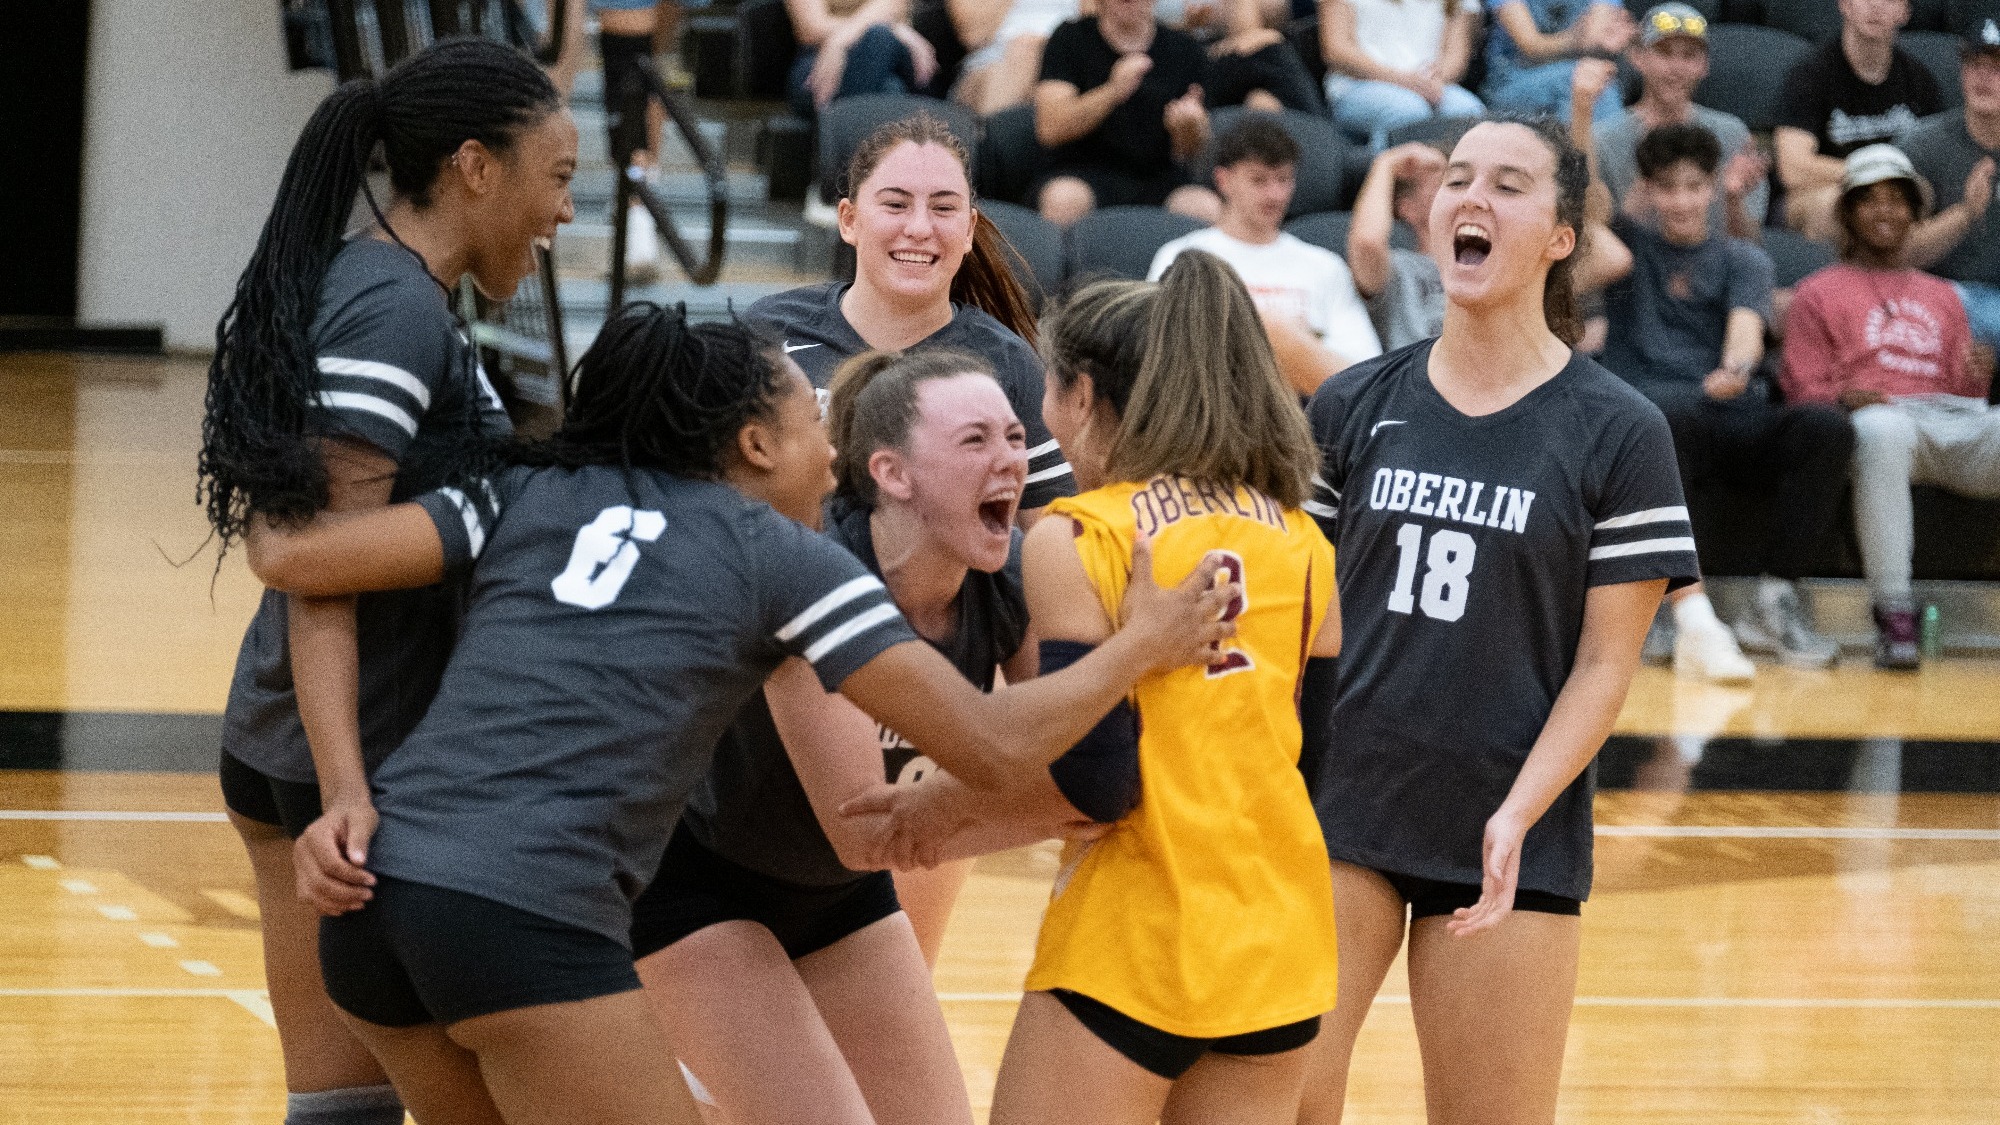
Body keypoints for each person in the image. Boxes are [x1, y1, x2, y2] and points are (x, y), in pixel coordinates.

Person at [249, 306, 1239, 1125]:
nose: (832, 443)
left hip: (374, 897)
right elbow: (986, 744)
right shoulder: (782, 556)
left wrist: (342, 787)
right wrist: (1142, 646)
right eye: (813, 419)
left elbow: (296, 564)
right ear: (755, 443)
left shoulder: (522, 490)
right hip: (526, 914)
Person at [866, 249, 1341, 1124]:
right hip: (1279, 947)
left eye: (1046, 396)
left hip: (1134, 937)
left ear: (1081, 398)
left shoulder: (1081, 533)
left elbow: (1098, 778)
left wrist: (950, 805)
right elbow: (1316, 770)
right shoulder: (1306, 542)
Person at [195, 39, 574, 1125]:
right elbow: (310, 562)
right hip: (344, 759)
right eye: (555, 178)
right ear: (474, 166)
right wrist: (350, 788)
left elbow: (314, 554)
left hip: (284, 745)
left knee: (338, 1111)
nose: (561, 213)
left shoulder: (378, 281)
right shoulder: (395, 307)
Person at [1295, 116, 1700, 1124]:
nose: (1469, 197)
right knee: (1284, 1103)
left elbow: (1606, 666)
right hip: (1339, 809)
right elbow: (1291, 621)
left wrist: (1516, 811)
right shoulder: (1350, 405)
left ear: (1561, 235)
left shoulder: (1618, 430)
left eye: (1507, 185)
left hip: (1506, 825)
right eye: (1456, 179)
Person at [629, 348, 1112, 1125]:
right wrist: (1035, 795)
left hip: (836, 893)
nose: (1011, 462)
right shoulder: (814, 572)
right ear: (892, 472)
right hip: (691, 880)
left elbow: (1072, 775)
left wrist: (1041, 791)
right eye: (975, 441)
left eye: (1016, 437)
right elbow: (865, 827)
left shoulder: (1013, 577)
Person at [1595, 122, 1854, 672]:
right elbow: (1590, 204)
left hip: (1730, 413)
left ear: (1712, 188)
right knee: (1666, 418)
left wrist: (1735, 367)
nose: (1682, 200)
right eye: (1668, 187)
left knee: (1825, 428)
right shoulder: (1626, 250)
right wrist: (1583, 106)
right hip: (1659, 421)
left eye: (1694, 186)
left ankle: (1776, 598)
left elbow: (1745, 332)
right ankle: (1671, 607)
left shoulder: (1743, 260)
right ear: (1648, 191)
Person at [748, 113, 1074, 532]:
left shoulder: (1010, 362)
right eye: (896, 205)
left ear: (969, 228)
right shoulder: (767, 331)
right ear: (848, 220)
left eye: (943, 208)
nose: (919, 228)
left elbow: (1049, 540)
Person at [1780, 145, 2000, 669]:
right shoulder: (1817, 292)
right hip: (1885, 425)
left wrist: (1976, 375)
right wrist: (1843, 398)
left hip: (1950, 423)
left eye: (1898, 201)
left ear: (1913, 213)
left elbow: (1964, 398)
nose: (1886, 212)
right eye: (1871, 200)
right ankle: (1894, 613)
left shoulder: (1945, 295)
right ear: (1849, 214)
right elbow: (1801, 391)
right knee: (1879, 429)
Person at [1148, 115, 1384, 394]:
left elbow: (1363, 368)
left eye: (1283, 180)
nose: (1275, 195)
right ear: (1224, 181)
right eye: (1259, 181)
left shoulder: (1325, 265)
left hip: (1307, 409)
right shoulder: (1182, 257)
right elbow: (1159, 356)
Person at [1032, 0, 1223, 226]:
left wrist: (1188, 127)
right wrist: (1112, 92)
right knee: (1063, 199)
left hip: (1159, 176)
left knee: (1204, 207)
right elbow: (1049, 129)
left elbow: (1190, 150)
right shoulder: (1070, 38)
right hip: (1082, 170)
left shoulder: (1186, 49)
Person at [1773, 0, 1945, 241]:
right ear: (1845, 5)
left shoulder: (1919, 80)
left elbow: (1935, 165)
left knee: (1923, 195)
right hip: (1825, 193)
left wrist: (1886, 189)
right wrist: (1874, 175)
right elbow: (1793, 169)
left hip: (1895, 193)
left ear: (1905, 13)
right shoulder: (1810, 75)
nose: (1875, 6)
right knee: (1833, 204)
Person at [1594, 3, 1768, 241]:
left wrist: (1732, 199)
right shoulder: (1604, 139)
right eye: (1664, 53)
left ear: (1704, 65)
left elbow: (1750, 245)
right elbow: (1595, 243)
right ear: (1638, 57)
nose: (1676, 68)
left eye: (1689, 55)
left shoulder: (1731, 133)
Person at [1901, 19, 2000, 348]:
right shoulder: (1920, 146)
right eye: (1975, 65)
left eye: (1997, 67)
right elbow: (1898, 253)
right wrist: (1966, 214)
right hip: (1935, 293)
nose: (1984, 78)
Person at [1318, 0, 1485, 151]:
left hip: (1431, 84)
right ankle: (1381, 179)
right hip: (1357, 84)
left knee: (1469, 111)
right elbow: (1336, 51)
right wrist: (1404, 81)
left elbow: (1456, 54)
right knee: (1408, 112)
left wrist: (1436, 80)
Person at [1481, 0, 1634, 124]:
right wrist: (1574, 39)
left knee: (1595, 80)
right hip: (1509, 84)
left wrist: (1614, 39)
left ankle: (1589, 157)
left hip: (1572, 78)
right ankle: (1584, 159)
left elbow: (1593, 38)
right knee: (1579, 79)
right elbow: (1531, 45)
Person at [785, 0, 938, 118]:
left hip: (896, 58)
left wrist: (840, 40)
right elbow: (811, 28)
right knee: (891, 89)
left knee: (879, 38)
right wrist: (894, 29)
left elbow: (893, 4)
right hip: (819, 61)